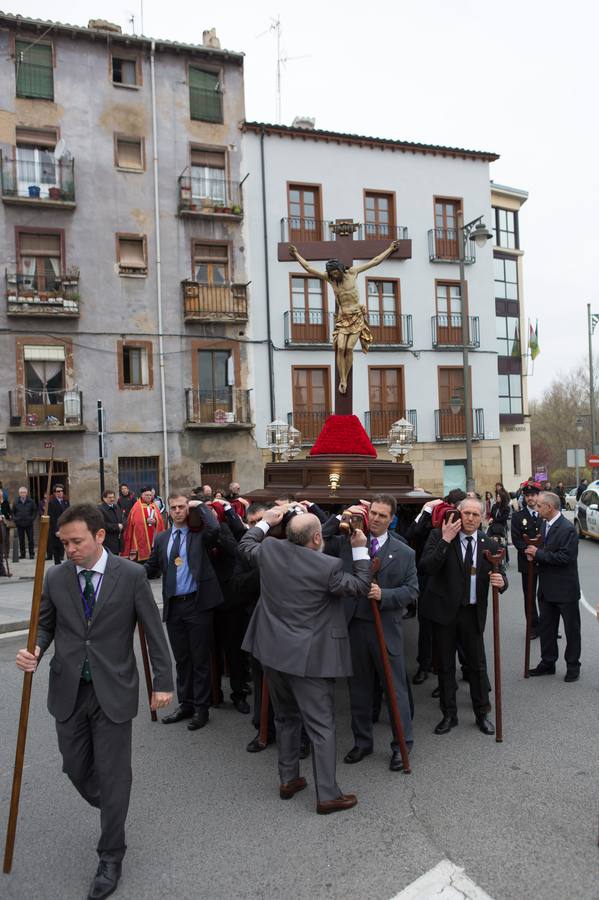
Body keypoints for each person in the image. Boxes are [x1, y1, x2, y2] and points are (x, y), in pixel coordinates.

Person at [15, 504, 173, 900]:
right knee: (74, 766)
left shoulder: (131, 576)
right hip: (69, 688)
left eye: (76, 541)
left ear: (99, 537)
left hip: (114, 690)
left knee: (115, 772)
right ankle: (112, 803)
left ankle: (111, 854)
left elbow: (154, 632)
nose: (69, 549)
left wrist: (163, 682)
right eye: (64, 542)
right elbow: (47, 624)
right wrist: (35, 647)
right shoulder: (56, 577)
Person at [241, 506, 371, 814]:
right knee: (321, 726)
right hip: (309, 659)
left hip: (272, 654)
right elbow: (361, 586)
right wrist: (360, 550)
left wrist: (264, 522)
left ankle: (289, 779)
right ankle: (327, 794)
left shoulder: (269, 550)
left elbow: (246, 544)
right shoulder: (327, 567)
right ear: (316, 538)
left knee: (285, 718)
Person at [419, 497, 507, 736]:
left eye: (475, 514)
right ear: (458, 514)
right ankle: (449, 714)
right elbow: (427, 567)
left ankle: (482, 713)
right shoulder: (440, 536)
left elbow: (501, 575)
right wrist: (446, 540)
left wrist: (501, 581)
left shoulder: (489, 544)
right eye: (466, 513)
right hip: (443, 612)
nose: (470, 518)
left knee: (477, 666)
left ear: (483, 518)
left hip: (472, 612)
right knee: (446, 666)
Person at [144, 494, 222, 730]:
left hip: (197, 604)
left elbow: (216, 529)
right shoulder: (162, 538)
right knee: (182, 659)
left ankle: (201, 709)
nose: (178, 511)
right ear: (168, 510)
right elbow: (151, 567)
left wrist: (200, 506)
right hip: (174, 606)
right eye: (174, 507)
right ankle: (186, 704)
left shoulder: (200, 535)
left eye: (182, 507)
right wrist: (123, 571)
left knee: (200, 660)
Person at [289, 241, 400, 394]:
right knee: (340, 348)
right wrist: (296, 255)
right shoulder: (330, 279)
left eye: (336, 272)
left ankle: (345, 378)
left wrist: (389, 249)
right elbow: (309, 268)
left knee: (349, 348)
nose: (334, 275)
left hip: (356, 317)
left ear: (341, 269)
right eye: (332, 273)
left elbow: (374, 262)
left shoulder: (353, 273)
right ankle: (342, 379)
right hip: (343, 319)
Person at [525, 492, 581, 681]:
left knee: (571, 630)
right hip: (547, 587)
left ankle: (573, 666)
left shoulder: (567, 529)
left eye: (539, 505)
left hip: (565, 589)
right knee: (547, 629)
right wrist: (533, 555)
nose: (536, 507)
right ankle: (548, 662)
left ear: (550, 507)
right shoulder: (544, 524)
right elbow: (544, 551)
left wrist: (538, 554)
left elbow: (566, 558)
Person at [510, 483, 542, 639]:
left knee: (546, 595)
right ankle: (533, 627)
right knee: (529, 597)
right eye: (528, 495)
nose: (530, 498)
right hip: (527, 561)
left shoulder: (544, 514)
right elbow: (516, 539)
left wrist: (541, 554)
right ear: (524, 497)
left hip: (544, 561)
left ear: (538, 496)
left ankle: (548, 626)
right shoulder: (518, 517)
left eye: (533, 495)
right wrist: (527, 552)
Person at [121, 486, 165, 562]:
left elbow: (160, 520)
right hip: (141, 538)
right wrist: (145, 520)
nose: (149, 497)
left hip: (153, 536)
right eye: (147, 495)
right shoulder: (137, 506)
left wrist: (155, 521)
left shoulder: (154, 506)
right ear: (142, 495)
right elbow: (135, 521)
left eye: (150, 495)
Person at [12, 485, 37, 559]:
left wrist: (31, 518)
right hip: (19, 524)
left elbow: (35, 511)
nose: (23, 494)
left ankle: (31, 554)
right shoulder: (16, 501)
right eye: (21, 492)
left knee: (31, 540)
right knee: (21, 540)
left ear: (26, 493)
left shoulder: (31, 501)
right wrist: (15, 519)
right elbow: (13, 512)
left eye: (24, 492)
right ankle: (23, 554)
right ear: (19, 493)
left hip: (29, 524)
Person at [98, 489, 124, 555]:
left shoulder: (116, 507)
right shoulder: (100, 509)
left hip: (118, 540)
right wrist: (117, 527)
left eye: (113, 497)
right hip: (108, 541)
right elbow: (102, 524)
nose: (112, 499)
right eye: (109, 497)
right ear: (104, 498)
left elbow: (121, 519)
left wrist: (123, 525)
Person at [48, 484, 69, 565]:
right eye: (58, 491)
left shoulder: (66, 501)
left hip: (65, 528)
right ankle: (58, 566)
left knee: (66, 547)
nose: (60, 493)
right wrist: (56, 530)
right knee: (56, 549)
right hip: (56, 529)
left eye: (62, 491)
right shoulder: (51, 503)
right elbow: (52, 518)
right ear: (54, 493)